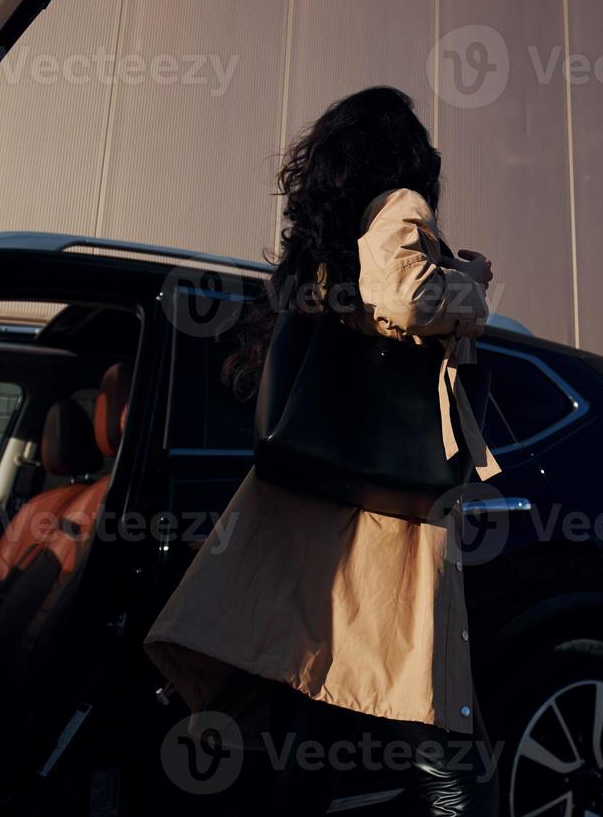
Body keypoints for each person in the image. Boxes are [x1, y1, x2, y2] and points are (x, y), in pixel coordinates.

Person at [143, 86, 501, 814]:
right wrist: (472, 284)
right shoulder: (403, 205)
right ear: (406, 157)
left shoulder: (324, 247)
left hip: (319, 490)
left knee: (313, 701)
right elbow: (405, 301)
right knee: (438, 740)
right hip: (384, 502)